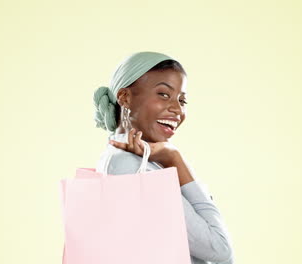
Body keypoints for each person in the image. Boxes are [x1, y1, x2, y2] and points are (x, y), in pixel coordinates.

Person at [93, 51, 235, 264]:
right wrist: (176, 160)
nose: (177, 109)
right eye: (163, 94)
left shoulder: (132, 161)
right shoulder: (130, 166)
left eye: (182, 100)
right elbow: (221, 251)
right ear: (125, 97)